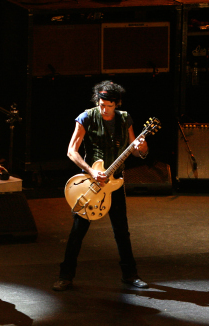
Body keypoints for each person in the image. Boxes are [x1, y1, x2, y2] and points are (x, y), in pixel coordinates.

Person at [53, 80, 149, 292]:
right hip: (92, 182)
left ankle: (130, 275)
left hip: (115, 182)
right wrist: (91, 170)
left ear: (117, 103)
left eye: (109, 105)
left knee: (121, 231)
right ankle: (65, 276)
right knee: (78, 231)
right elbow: (72, 151)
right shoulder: (86, 117)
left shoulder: (125, 119)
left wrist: (142, 148)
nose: (104, 109)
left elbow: (136, 150)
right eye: (101, 104)